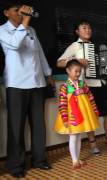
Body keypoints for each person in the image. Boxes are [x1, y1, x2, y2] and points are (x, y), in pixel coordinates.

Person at [0, 3, 54, 178]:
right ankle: (16, 166)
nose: (20, 13)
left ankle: (39, 159)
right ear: (6, 13)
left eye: (21, 10)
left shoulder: (31, 30)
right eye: (16, 10)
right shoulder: (2, 30)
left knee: (39, 125)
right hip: (16, 84)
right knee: (16, 126)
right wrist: (26, 20)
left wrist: (48, 74)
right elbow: (15, 45)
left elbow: (39, 53)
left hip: (37, 83)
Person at [57, 20, 107, 154]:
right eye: (84, 28)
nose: (88, 30)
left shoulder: (97, 47)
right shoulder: (75, 46)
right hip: (86, 87)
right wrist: (77, 61)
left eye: (89, 28)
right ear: (77, 32)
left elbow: (104, 65)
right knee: (91, 116)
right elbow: (59, 63)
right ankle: (93, 145)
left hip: (100, 84)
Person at [54, 59, 100, 169]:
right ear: (68, 71)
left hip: (83, 115)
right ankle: (74, 160)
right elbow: (62, 103)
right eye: (76, 71)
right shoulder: (64, 86)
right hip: (72, 116)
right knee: (73, 137)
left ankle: (77, 158)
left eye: (79, 72)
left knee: (79, 136)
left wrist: (95, 110)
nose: (78, 74)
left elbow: (90, 98)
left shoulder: (83, 84)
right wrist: (65, 118)